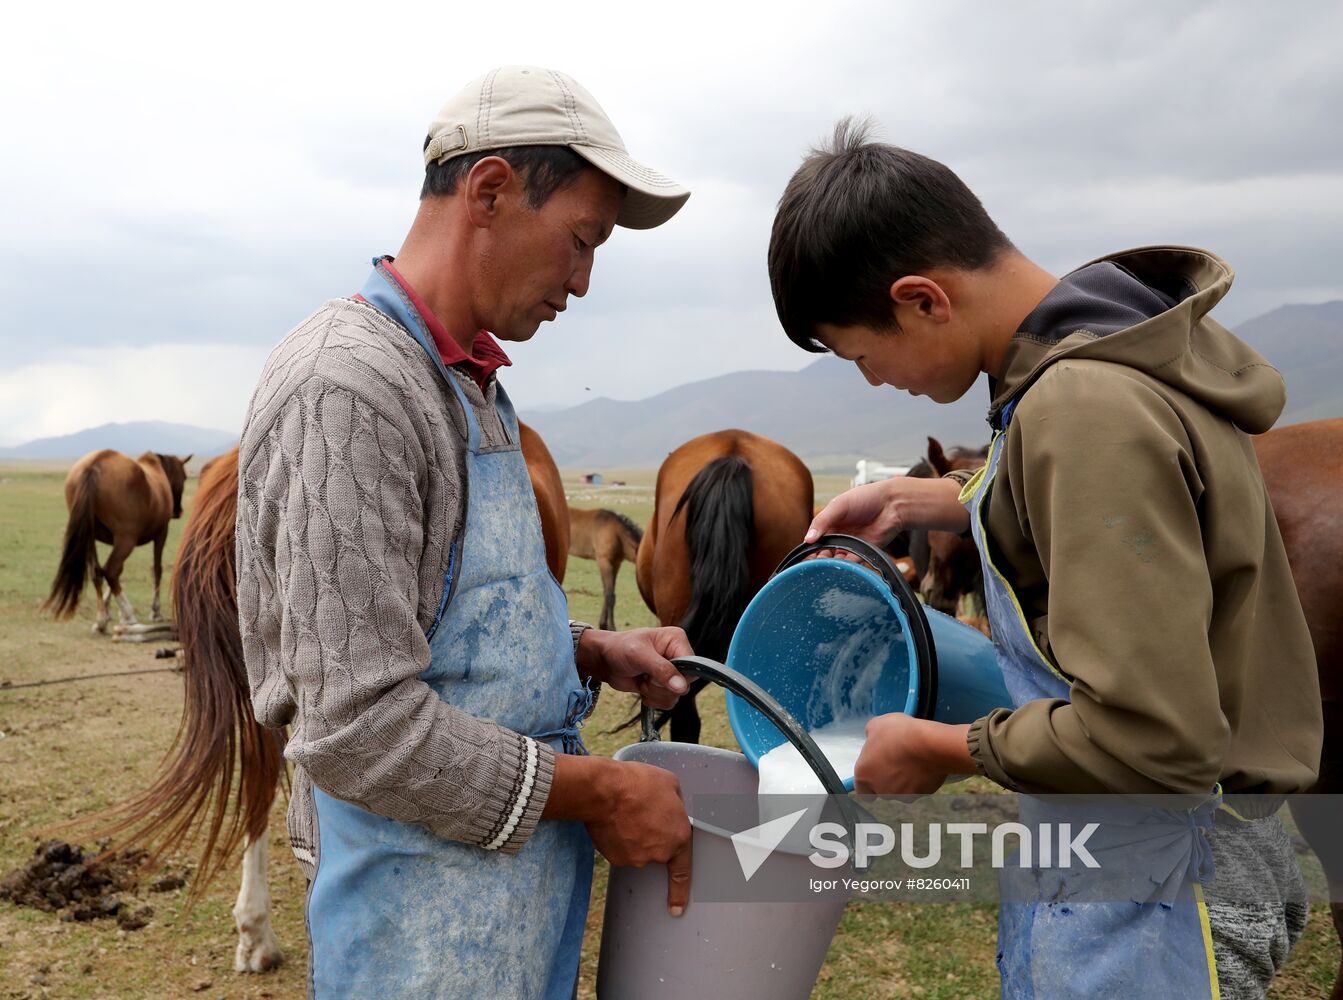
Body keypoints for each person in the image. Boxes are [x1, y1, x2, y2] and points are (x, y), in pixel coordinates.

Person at [767, 120, 1322, 998]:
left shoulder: (1082, 407)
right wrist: (922, 501)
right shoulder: (1108, 362)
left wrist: (941, 747)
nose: (873, 382)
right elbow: (1135, 516)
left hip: (1161, 875)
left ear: (921, 298)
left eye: (862, 355)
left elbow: (1151, 737)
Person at [235, 66, 695, 999]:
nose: (582, 279)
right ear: (488, 192)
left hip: (495, 913)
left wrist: (586, 649)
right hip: (415, 929)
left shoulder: (466, 383)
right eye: (580, 240)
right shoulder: (350, 389)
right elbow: (358, 727)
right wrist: (598, 791)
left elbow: (442, 625)